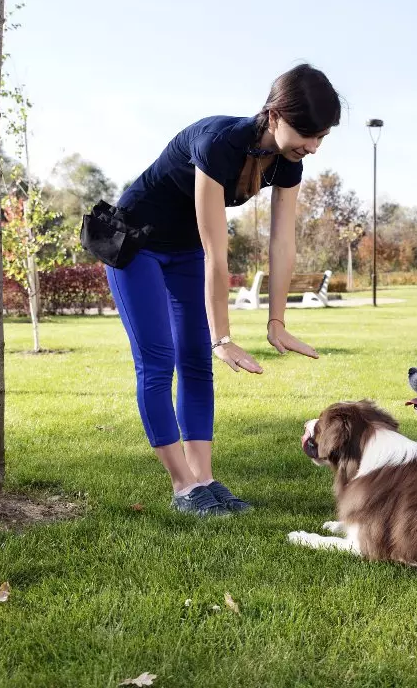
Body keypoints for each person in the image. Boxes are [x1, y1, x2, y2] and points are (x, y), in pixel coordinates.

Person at [106, 64, 340, 518]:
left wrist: (278, 322)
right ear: (274, 116)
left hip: (184, 249)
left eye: (321, 138)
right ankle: (182, 486)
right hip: (136, 244)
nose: (312, 146)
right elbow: (218, 251)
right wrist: (224, 337)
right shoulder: (219, 143)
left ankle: (205, 481)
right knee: (159, 361)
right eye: (306, 133)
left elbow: (282, 241)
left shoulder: (287, 163)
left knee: (197, 363)